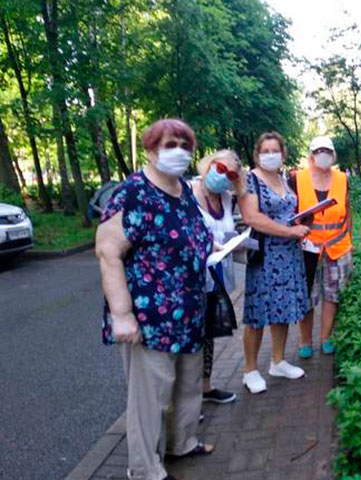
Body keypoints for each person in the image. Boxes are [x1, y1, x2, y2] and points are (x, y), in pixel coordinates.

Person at [95, 119, 214, 480]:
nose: (178, 150)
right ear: (150, 150)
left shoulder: (182, 190)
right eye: (168, 143)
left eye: (184, 143)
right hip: (150, 319)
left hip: (190, 314)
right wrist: (122, 314)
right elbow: (107, 252)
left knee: (188, 386)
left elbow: (188, 238)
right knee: (151, 399)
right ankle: (145, 469)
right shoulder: (133, 194)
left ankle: (183, 442)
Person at [238, 131, 310, 394]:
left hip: (289, 255)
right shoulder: (250, 179)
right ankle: (250, 370)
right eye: (265, 151)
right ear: (257, 154)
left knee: (284, 308)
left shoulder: (283, 178)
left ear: (283, 153)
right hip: (266, 255)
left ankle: (278, 361)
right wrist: (289, 231)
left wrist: (300, 224)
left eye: (275, 150)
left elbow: (287, 211)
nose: (270, 155)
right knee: (257, 313)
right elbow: (251, 217)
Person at [190, 150, 245, 404]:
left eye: (232, 174)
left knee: (208, 332)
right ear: (209, 164)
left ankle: (205, 387)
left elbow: (228, 232)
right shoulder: (186, 193)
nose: (224, 177)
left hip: (214, 276)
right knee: (190, 337)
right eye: (221, 169)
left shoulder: (225, 199)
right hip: (187, 280)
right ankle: (183, 400)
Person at [291, 135, 353, 358]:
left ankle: (326, 338)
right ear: (311, 155)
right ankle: (304, 341)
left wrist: (350, 241)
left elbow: (347, 211)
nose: (323, 155)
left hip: (338, 247)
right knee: (306, 296)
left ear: (333, 155)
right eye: (318, 151)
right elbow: (290, 213)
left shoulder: (342, 178)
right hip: (306, 248)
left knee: (332, 295)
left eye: (327, 151)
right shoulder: (297, 179)